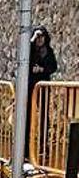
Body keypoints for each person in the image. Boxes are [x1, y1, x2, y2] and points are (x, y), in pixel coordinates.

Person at [25, 25, 58, 158]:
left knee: (44, 117)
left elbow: (53, 67)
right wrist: (32, 39)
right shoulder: (30, 50)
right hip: (30, 86)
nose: (40, 39)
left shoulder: (48, 51)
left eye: (42, 36)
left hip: (43, 87)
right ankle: (25, 148)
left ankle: (44, 147)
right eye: (38, 36)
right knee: (26, 117)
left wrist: (42, 70)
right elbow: (24, 61)